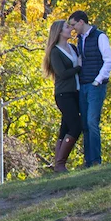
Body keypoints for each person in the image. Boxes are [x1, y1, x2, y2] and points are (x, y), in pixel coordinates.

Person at [69, 10, 111, 166]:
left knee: (92, 121)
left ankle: (95, 160)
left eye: (74, 25)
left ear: (81, 22)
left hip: (95, 85)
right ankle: (88, 161)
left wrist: (97, 80)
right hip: (83, 85)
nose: (73, 28)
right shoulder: (80, 40)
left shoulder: (100, 37)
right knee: (85, 124)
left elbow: (109, 62)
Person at [42, 18, 81, 173]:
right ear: (59, 32)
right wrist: (78, 67)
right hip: (64, 94)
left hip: (76, 92)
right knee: (76, 126)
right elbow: (63, 73)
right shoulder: (55, 52)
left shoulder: (73, 48)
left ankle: (58, 165)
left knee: (65, 127)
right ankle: (60, 163)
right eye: (67, 27)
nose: (70, 29)